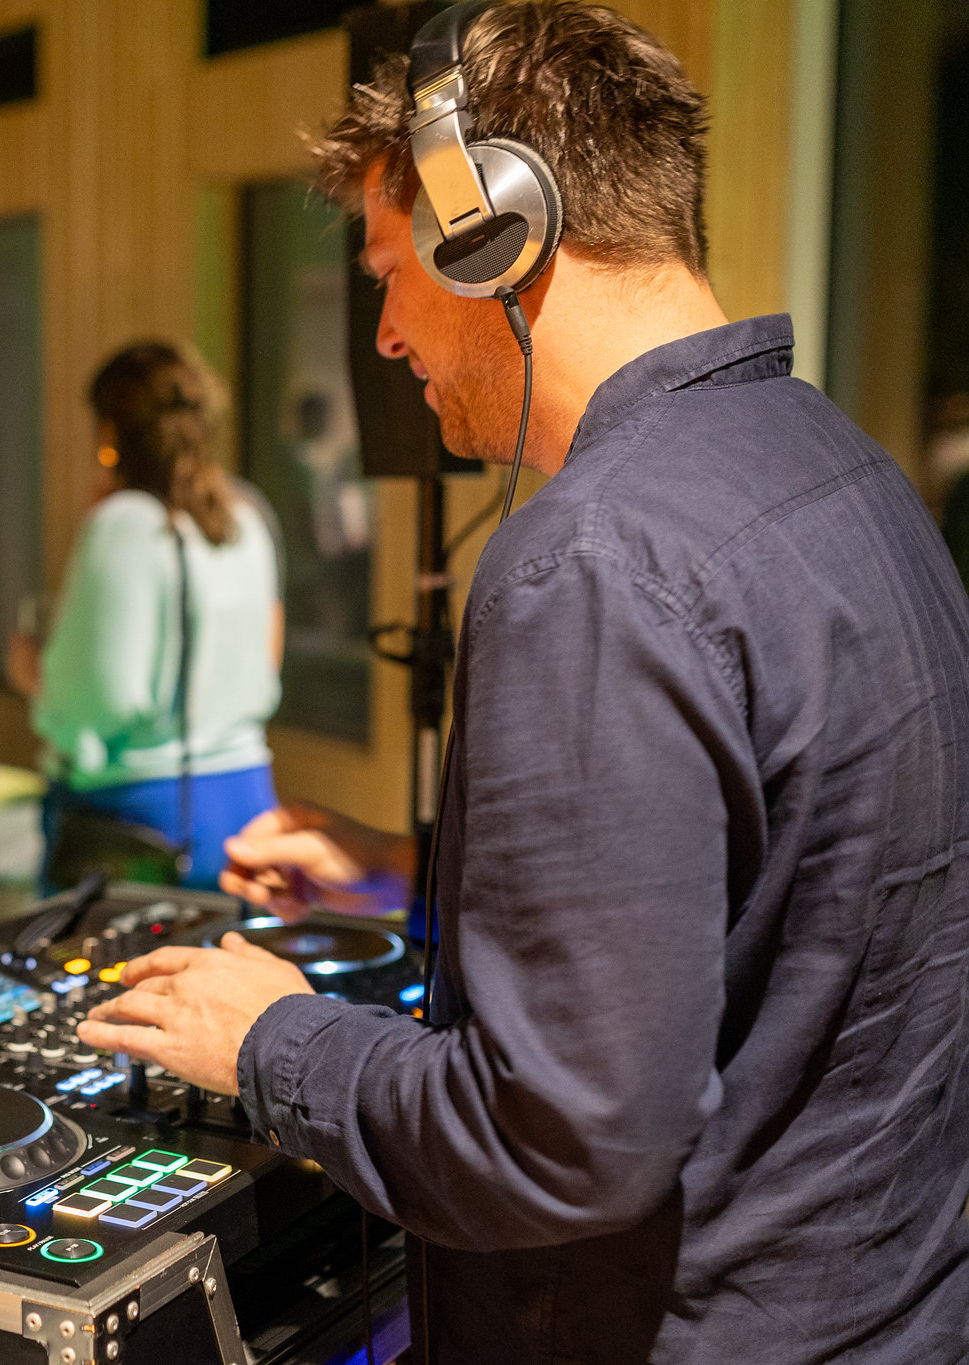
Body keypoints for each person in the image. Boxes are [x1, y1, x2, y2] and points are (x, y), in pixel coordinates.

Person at [78, 4, 969, 1360]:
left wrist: (270, 1038)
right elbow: (786, 894)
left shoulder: (593, 557)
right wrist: (420, 866)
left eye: (388, 270)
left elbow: (560, 1140)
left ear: (490, 232)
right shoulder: (842, 468)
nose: (382, 336)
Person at [9, 342, 280, 890]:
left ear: (109, 433)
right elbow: (265, 663)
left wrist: (37, 677)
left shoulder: (123, 524)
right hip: (247, 803)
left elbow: (102, 699)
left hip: (141, 815)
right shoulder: (244, 519)